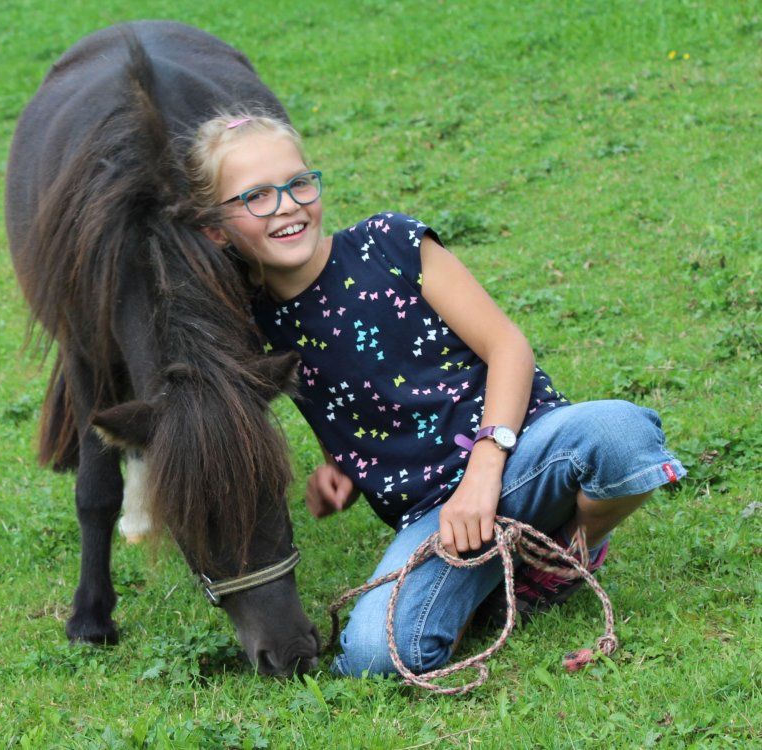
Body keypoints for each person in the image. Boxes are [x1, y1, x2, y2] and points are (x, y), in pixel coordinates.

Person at [187, 112, 687, 678]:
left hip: (523, 452)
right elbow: (356, 394)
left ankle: (564, 556)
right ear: (215, 227)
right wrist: (343, 467)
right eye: (255, 197)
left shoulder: (390, 244)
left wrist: (484, 468)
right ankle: (489, 574)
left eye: (299, 183)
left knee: (623, 436)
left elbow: (508, 347)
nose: (287, 206)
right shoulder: (254, 325)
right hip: (436, 516)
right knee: (372, 660)